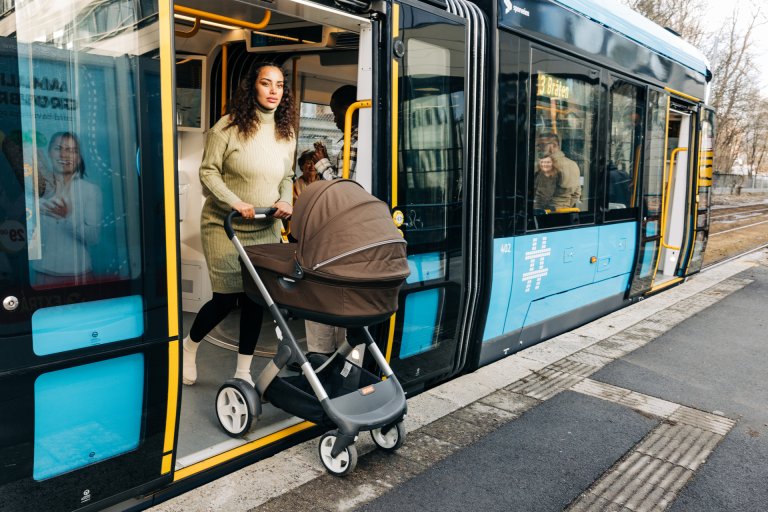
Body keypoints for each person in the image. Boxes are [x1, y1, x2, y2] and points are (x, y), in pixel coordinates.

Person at [182, 63, 296, 387]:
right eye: (266, 83)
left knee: (254, 299)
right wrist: (235, 201)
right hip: (225, 224)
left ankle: (242, 373)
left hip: (265, 225)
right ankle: (190, 346)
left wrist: (286, 201)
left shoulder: (285, 133)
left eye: (279, 85)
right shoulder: (227, 128)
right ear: (253, 88)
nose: (274, 91)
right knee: (226, 299)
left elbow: (287, 177)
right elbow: (208, 172)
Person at [303, 85, 358, 360]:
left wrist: (323, 164)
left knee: (318, 292)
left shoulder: (356, 144)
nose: (335, 120)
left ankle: (320, 357)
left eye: (337, 113)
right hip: (355, 234)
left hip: (345, 235)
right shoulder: (352, 141)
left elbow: (345, 192)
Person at [31, 132, 102, 287]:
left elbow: (94, 238)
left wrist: (67, 218)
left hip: (81, 275)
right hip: (44, 274)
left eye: (72, 150)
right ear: (49, 152)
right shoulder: (35, 190)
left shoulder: (90, 190)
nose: (64, 154)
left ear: (79, 157)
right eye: (58, 148)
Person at [311, 85, 358, 181]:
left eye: (335, 114)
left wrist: (321, 163)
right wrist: (326, 160)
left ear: (348, 111)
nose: (335, 120)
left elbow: (341, 187)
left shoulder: (353, 141)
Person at [536, 132, 581, 209]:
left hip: (548, 213)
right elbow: (577, 193)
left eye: (542, 144)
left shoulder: (548, 165)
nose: (539, 148)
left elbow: (543, 196)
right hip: (566, 212)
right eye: (538, 145)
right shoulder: (573, 164)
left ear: (553, 145)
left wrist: (534, 211)